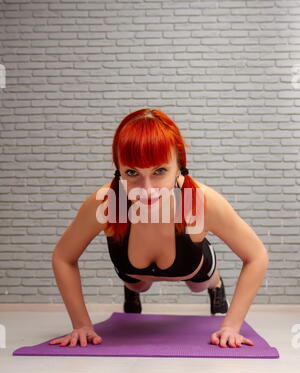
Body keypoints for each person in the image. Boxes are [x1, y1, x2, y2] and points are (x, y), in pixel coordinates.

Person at [49, 109, 268, 349]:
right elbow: (63, 257)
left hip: (191, 267)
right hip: (133, 271)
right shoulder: (106, 203)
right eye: (132, 173)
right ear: (119, 169)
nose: (147, 189)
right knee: (137, 283)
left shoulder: (201, 202)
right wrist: (81, 325)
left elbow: (256, 256)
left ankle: (215, 284)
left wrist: (231, 326)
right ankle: (133, 288)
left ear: (179, 166)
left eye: (159, 171)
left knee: (199, 285)